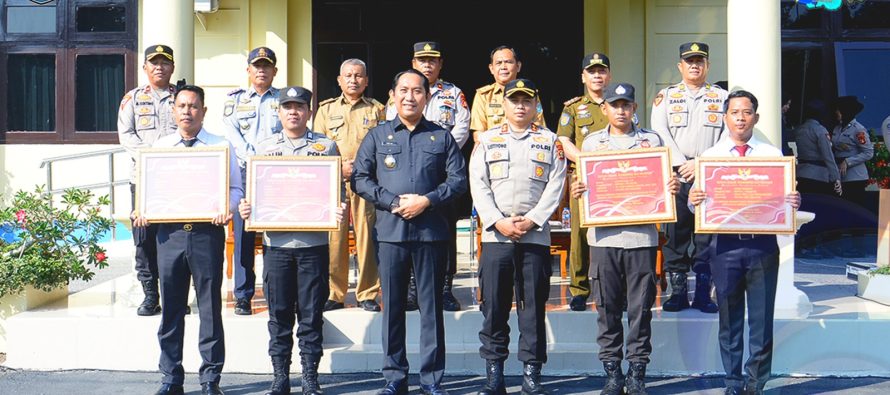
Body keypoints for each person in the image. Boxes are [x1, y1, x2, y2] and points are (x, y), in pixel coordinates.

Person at [352, 69, 467, 395]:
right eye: (403, 90)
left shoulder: (441, 137)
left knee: (431, 310)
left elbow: (458, 181)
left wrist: (427, 201)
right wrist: (391, 201)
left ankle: (431, 380)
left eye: (417, 91)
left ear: (427, 97)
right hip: (390, 233)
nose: (410, 96)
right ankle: (395, 378)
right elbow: (360, 178)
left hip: (431, 234)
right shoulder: (377, 136)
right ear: (393, 94)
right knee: (393, 311)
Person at [688, 90, 801, 395]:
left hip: (762, 246)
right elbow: (696, 206)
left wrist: (792, 200)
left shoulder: (773, 156)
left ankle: (756, 383)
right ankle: (733, 381)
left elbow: (783, 200)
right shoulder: (710, 158)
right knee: (730, 318)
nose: (740, 117)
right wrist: (692, 199)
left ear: (756, 117)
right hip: (724, 248)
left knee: (762, 320)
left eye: (747, 112)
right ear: (725, 117)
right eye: (735, 112)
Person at [571, 83, 680, 395]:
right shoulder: (592, 144)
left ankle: (636, 373)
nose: (620, 110)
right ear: (604, 108)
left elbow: (662, 183)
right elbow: (584, 185)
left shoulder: (652, 142)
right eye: (614, 105)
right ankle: (612, 373)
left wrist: (669, 188)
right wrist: (579, 191)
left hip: (641, 239)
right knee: (606, 309)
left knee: (640, 309)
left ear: (635, 108)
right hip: (604, 240)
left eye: (626, 105)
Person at [134, 85, 243, 395]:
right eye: (181, 106)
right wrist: (143, 210)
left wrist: (227, 209)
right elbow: (150, 192)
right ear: (173, 111)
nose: (186, 111)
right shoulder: (161, 147)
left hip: (207, 235)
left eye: (193, 106)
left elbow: (236, 189)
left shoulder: (220, 147)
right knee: (171, 309)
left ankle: (211, 379)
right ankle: (171, 378)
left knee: (209, 309)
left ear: (203, 111)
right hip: (169, 238)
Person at [239, 86, 345, 395]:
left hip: (313, 246)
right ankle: (280, 376)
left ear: (309, 111)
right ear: (279, 111)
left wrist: (336, 208)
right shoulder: (263, 148)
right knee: (279, 314)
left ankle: (310, 377)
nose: (293, 112)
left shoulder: (326, 147)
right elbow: (253, 192)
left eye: (299, 106)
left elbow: (335, 191)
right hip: (277, 247)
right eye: (287, 107)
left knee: (311, 315)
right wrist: (248, 207)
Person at [470, 78, 566, 395]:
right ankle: (494, 377)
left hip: (534, 236)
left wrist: (533, 220)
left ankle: (531, 375)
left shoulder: (551, 142)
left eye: (526, 100)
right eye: (515, 100)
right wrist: (498, 221)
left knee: (533, 310)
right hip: (496, 237)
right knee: (494, 309)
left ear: (536, 104)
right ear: (506, 105)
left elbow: (556, 186)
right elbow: (478, 185)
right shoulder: (487, 140)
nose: (521, 105)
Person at [385, 41, 471, 312]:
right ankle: (412, 289)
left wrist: (440, 153)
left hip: (444, 169)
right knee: (410, 229)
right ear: (414, 63)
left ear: (440, 64)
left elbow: (463, 127)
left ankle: (445, 288)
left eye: (433, 60)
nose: (427, 64)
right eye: (422, 60)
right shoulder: (402, 90)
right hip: (409, 169)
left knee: (444, 230)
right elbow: (392, 124)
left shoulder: (454, 93)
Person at [650, 41, 726, 314]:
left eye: (700, 60)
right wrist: (684, 165)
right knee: (675, 236)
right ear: (680, 66)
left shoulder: (722, 97)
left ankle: (704, 293)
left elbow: (726, 137)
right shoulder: (666, 97)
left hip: (709, 176)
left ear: (708, 65)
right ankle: (678, 292)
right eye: (689, 61)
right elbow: (660, 133)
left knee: (707, 237)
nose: (694, 65)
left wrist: (701, 164)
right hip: (677, 177)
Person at [314, 58, 385, 312]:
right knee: (335, 238)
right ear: (339, 80)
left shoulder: (377, 109)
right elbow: (318, 146)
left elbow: (384, 145)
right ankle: (335, 292)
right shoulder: (326, 110)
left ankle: (367, 292)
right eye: (348, 76)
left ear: (366, 81)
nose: (353, 80)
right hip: (335, 181)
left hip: (367, 181)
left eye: (358, 76)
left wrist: (363, 167)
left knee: (367, 237)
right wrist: (339, 166)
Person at [118, 44, 178, 316]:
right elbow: (126, 135)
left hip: (178, 180)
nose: (159, 67)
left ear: (172, 67)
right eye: (154, 62)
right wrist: (152, 158)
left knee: (176, 238)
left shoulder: (183, 97)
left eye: (165, 62)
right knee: (144, 238)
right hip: (143, 179)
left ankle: (174, 295)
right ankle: (150, 294)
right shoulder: (132, 98)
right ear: (145, 67)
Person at [222, 46, 282, 315]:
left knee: (275, 234)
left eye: (266, 66)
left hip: (276, 174)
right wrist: (252, 155)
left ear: (274, 71)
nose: (261, 70)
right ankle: (244, 294)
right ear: (248, 70)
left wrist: (268, 157)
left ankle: (274, 291)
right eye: (256, 66)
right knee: (244, 235)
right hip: (245, 172)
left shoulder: (284, 100)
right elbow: (230, 132)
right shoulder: (234, 100)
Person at [556, 52, 612, 311]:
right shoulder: (573, 108)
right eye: (592, 71)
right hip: (584, 179)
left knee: (611, 232)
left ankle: (609, 287)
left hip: (614, 180)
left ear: (608, 75)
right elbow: (564, 141)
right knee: (579, 234)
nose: (597, 75)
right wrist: (588, 163)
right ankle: (579, 289)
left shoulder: (619, 104)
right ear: (583, 76)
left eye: (601, 71)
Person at [470, 46, 545, 143]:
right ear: (491, 68)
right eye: (498, 63)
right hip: (494, 149)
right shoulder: (483, 95)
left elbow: (539, 127)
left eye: (508, 62)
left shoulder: (530, 94)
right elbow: (478, 133)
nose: (503, 67)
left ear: (518, 66)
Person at [832, 95, 873, 209]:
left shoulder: (858, 130)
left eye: (839, 110)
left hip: (855, 177)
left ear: (846, 111)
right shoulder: (837, 128)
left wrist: (848, 161)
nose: (836, 112)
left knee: (855, 207)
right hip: (840, 176)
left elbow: (868, 152)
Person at [794, 99, 841, 196]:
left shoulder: (799, 129)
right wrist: (836, 177)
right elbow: (828, 155)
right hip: (818, 176)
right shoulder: (820, 130)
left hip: (801, 173)